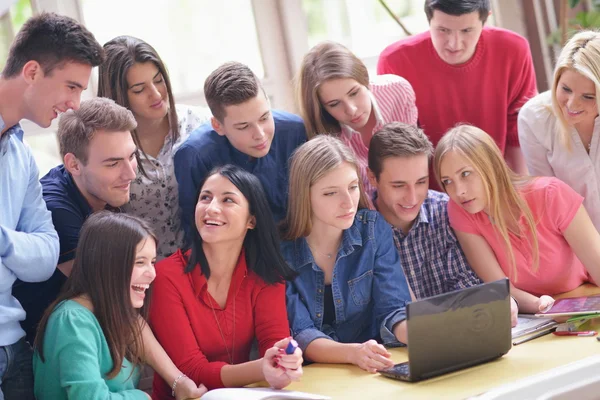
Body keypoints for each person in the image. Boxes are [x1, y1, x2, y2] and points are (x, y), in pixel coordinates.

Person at [0, 12, 103, 399]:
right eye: (71, 86)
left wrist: (5, 242)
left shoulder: (21, 156)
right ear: (31, 71)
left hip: (15, 347)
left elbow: (45, 257)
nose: (75, 105)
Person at [149, 165, 303, 397]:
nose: (211, 209)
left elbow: (274, 344)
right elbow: (191, 369)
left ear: (251, 220)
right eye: (205, 198)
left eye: (227, 200)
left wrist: (286, 362)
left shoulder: (266, 276)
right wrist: (261, 368)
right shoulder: (165, 276)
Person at [33, 212, 206, 400]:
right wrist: (142, 398)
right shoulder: (72, 320)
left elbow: (135, 326)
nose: (152, 274)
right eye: (140, 262)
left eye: (152, 262)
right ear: (107, 264)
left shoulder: (114, 311)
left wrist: (178, 382)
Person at [434, 124, 600, 314]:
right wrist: (540, 305)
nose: (459, 191)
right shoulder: (460, 210)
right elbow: (501, 289)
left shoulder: (551, 195)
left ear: (491, 166)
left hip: (587, 298)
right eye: (447, 181)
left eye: (465, 174)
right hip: (535, 315)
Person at [280, 135, 411, 374]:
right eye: (330, 193)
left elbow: (393, 309)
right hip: (314, 375)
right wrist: (353, 353)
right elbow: (301, 334)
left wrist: (420, 333)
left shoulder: (373, 230)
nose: (348, 203)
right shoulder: (282, 250)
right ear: (304, 195)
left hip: (372, 367)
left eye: (352, 187)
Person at [14, 97, 138, 345]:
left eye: (131, 156)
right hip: (33, 351)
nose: (130, 174)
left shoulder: (103, 189)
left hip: (79, 337)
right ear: (73, 164)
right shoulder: (55, 209)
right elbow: (114, 295)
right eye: (113, 163)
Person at [378, 0, 536, 189]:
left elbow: (517, 130)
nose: (454, 43)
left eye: (466, 31)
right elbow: (397, 147)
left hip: (496, 185)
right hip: (430, 193)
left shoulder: (513, 49)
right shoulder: (395, 61)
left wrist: (518, 192)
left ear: (485, 21)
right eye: (443, 30)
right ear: (428, 19)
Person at [98, 35, 211, 258]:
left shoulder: (199, 123)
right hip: (144, 273)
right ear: (118, 96)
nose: (156, 94)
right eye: (139, 90)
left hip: (205, 263)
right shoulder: (106, 147)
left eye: (159, 80)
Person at [174, 62, 306, 237]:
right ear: (218, 125)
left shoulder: (295, 130)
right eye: (243, 126)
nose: (260, 134)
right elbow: (197, 231)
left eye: (265, 117)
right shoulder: (194, 156)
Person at [367, 122, 482, 299]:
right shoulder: (360, 230)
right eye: (399, 185)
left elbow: (467, 283)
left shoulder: (445, 211)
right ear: (373, 178)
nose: (412, 198)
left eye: (421, 182)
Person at [296, 41, 417, 197]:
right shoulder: (323, 136)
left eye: (354, 93)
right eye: (334, 104)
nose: (351, 110)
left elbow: (414, 164)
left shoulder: (398, 91)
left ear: (364, 78)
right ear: (322, 108)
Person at [519, 30, 600, 232]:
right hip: (575, 241)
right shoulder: (534, 119)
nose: (572, 104)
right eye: (566, 89)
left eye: (588, 97)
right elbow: (548, 202)